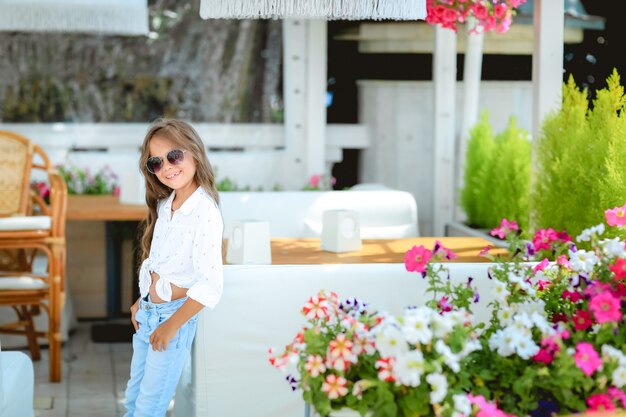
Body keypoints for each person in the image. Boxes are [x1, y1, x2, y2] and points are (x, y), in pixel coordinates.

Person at [123, 118, 224, 417]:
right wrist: (141, 302)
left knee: (149, 407)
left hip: (171, 318)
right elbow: (164, 265)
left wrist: (171, 325)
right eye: (156, 162)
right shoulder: (166, 206)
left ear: (195, 153)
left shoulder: (204, 211)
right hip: (148, 314)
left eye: (174, 156)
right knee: (133, 399)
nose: (167, 166)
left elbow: (210, 284)